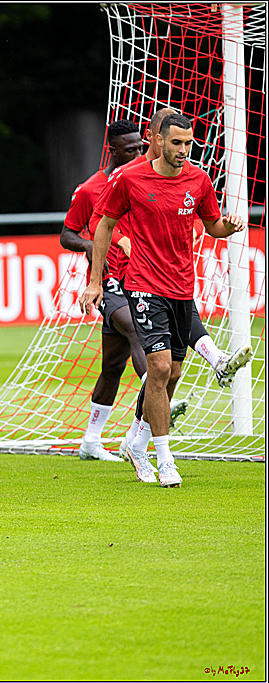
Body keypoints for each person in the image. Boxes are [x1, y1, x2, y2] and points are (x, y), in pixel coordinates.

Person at [81, 112, 245, 488]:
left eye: (188, 143)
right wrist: (95, 281)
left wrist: (229, 227)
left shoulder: (199, 180)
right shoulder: (130, 178)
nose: (184, 150)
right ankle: (165, 458)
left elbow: (212, 225)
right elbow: (103, 223)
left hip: (182, 287)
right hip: (142, 285)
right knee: (156, 369)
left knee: (172, 372)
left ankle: (136, 444)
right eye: (176, 143)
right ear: (157, 140)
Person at [59, 120, 145, 461]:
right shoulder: (91, 188)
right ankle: (157, 392)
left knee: (112, 364)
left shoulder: (144, 180)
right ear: (112, 149)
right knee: (139, 331)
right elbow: (67, 234)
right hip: (108, 281)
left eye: (140, 147)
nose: (138, 152)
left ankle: (91, 441)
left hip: (142, 278)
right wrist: (95, 244)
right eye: (130, 148)